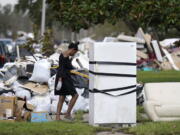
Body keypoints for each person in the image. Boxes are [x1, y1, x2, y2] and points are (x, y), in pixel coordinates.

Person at [55, 42, 79, 121]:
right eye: (74, 52)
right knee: (75, 95)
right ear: (72, 49)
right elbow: (62, 68)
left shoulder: (64, 55)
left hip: (62, 77)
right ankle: (67, 114)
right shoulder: (65, 55)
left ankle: (58, 117)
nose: (74, 54)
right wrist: (60, 79)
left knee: (61, 98)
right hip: (64, 78)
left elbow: (66, 66)